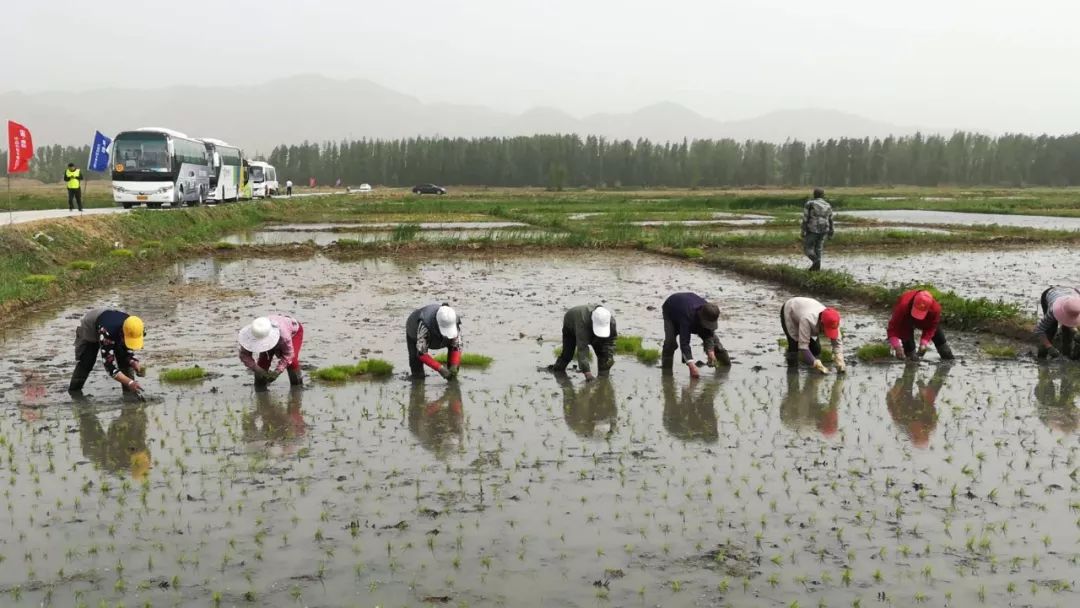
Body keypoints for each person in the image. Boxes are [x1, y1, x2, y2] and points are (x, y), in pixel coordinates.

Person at [68, 308, 145, 395]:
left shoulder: (135, 326)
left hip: (114, 328)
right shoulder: (107, 332)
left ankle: (130, 395)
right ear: (123, 334)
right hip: (90, 328)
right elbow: (109, 366)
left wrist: (133, 361)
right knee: (87, 360)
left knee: (124, 360)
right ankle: (75, 393)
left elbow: (127, 349)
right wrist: (130, 382)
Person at [661, 292, 731, 379]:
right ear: (701, 317)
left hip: (690, 305)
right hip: (671, 310)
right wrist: (692, 366)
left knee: (715, 344)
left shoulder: (709, 311)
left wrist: (710, 351)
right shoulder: (687, 317)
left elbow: (709, 334)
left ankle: (725, 369)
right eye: (707, 324)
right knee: (670, 343)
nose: (708, 326)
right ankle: (666, 374)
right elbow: (684, 343)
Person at [886, 363, 949, 448]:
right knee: (907, 379)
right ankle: (911, 363)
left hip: (918, 404)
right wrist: (895, 389)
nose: (921, 431)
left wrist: (924, 392)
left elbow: (930, 405)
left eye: (921, 434)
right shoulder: (902, 421)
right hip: (905, 401)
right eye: (922, 434)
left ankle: (942, 369)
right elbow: (890, 401)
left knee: (932, 389)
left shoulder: (903, 422)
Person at [547, 304, 617, 380]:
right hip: (571, 324)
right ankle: (558, 371)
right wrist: (587, 373)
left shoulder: (610, 321)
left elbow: (611, 341)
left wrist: (608, 358)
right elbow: (582, 348)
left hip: (589, 325)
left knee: (603, 354)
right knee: (568, 354)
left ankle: (603, 378)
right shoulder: (582, 324)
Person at [781, 297, 846, 374]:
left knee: (816, 349)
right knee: (794, 345)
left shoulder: (833, 319)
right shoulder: (807, 319)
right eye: (826, 329)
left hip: (805, 308)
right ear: (821, 323)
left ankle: (810, 369)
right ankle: (792, 370)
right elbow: (803, 346)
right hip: (790, 310)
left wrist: (839, 358)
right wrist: (815, 363)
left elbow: (837, 343)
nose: (826, 333)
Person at [238, 315, 304, 390]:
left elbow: (289, 354)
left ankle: (297, 388)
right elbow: (244, 355)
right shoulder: (252, 333)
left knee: (292, 362)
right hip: (268, 333)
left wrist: (277, 371)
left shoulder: (284, 335)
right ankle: (260, 388)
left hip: (293, 332)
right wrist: (258, 369)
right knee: (262, 363)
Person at [887, 289, 954, 361]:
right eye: (916, 311)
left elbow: (932, 327)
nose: (917, 317)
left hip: (926, 320)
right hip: (906, 320)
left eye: (920, 313)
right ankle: (911, 363)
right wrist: (897, 346)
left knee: (942, 345)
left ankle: (947, 357)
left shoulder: (935, 309)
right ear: (913, 303)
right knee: (910, 353)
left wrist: (924, 343)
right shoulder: (903, 307)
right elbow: (893, 328)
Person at [779, 369, 844, 438]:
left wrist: (841, 371)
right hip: (792, 414)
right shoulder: (812, 418)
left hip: (790, 414)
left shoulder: (808, 418)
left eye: (826, 412)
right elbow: (835, 398)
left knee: (808, 386)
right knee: (811, 383)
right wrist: (840, 377)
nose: (826, 408)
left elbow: (833, 402)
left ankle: (794, 370)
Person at [406, 304, 462, 380]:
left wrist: (454, 365)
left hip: (435, 334)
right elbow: (421, 353)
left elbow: (456, 347)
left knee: (453, 371)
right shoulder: (425, 325)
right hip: (414, 329)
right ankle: (417, 380)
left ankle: (452, 379)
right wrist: (440, 368)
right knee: (417, 368)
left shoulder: (454, 321)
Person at [554, 372, 617, 438]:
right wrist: (588, 382)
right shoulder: (576, 420)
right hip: (573, 410)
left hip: (587, 417)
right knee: (568, 389)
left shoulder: (607, 415)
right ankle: (560, 373)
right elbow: (584, 398)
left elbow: (611, 400)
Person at [660, 374, 720, 443]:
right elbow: (686, 395)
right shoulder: (697, 425)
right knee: (669, 392)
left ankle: (667, 375)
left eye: (714, 428)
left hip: (673, 423)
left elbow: (708, 403)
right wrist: (691, 384)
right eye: (714, 428)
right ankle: (667, 373)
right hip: (673, 420)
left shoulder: (698, 426)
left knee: (704, 401)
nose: (714, 424)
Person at [1034, 286, 1080, 360]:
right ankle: (1041, 358)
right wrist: (1049, 347)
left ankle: (1066, 356)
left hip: (1066, 293)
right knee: (1050, 330)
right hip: (1050, 294)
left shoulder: (1076, 307)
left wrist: (1076, 332)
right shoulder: (1052, 311)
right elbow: (1039, 330)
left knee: (1068, 331)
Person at [801, 187, 834, 271]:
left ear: (814, 194)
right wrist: (831, 231)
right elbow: (830, 219)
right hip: (824, 229)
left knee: (807, 247)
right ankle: (817, 269)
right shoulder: (827, 204)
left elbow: (805, 218)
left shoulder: (810, 203)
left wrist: (803, 230)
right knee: (818, 248)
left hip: (813, 228)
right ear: (823, 195)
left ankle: (816, 261)